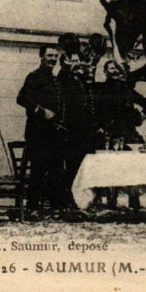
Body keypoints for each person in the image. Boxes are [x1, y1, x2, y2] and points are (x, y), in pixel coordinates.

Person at [16, 45, 66, 218]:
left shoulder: (55, 80)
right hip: (38, 133)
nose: (53, 59)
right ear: (41, 57)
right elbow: (21, 98)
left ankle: (54, 208)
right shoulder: (34, 77)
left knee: (55, 171)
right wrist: (41, 110)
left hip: (55, 133)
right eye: (49, 56)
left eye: (55, 56)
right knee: (38, 170)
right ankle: (32, 208)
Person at [99, 60, 146, 210]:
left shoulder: (127, 89)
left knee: (132, 167)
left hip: (129, 134)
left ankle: (134, 199)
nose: (115, 71)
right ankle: (111, 200)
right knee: (112, 167)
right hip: (111, 134)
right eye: (111, 68)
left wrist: (140, 117)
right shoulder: (102, 90)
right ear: (106, 72)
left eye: (116, 68)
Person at [61, 61, 103, 210]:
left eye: (90, 73)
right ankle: (70, 199)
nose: (88, 75)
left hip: (89, 136)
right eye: (84, 72)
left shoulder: (90, 89)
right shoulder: (71, 86)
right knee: (73, 168)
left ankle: (88, 200)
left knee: (89, 169)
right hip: (74, 135)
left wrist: (98, 126)